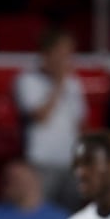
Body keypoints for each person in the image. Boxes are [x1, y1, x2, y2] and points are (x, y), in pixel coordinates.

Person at [14, 28, 87, 207]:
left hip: (70, 162)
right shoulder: (27, 80)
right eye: (61, 53)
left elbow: (80, 122)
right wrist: (59, 84)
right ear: (47, 53)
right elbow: (41, 116)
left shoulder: (74, 82)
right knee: (39, 212)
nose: (66, 59)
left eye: (69, 53)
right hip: (41, 162)